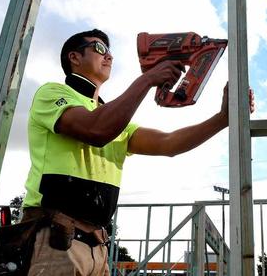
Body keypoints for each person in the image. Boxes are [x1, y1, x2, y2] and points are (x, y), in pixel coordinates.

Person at [20, 29, 254, 275]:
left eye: (110, 51)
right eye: (99, 49)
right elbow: (96, 129)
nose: (109, 56)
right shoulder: (53, 93)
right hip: (54, 238)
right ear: (74, 58)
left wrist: (222, 119)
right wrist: (146, 80)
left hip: (96, 247)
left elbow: (169, 143)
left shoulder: (113, 120)